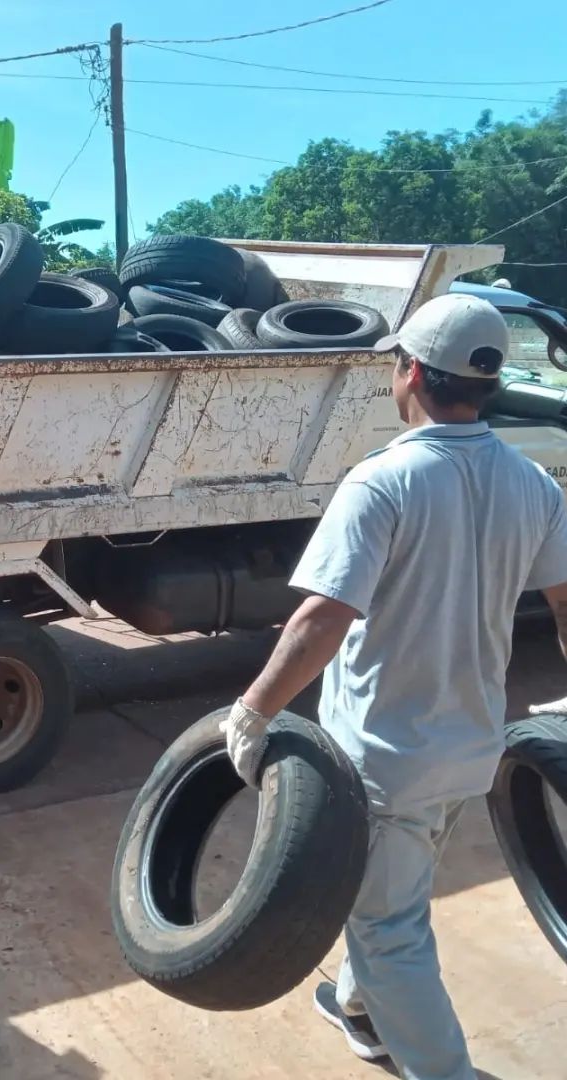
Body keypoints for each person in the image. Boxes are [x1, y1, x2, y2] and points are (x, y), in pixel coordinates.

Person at [220, 292, 567, 1080]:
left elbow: (321, 618)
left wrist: (252, 711)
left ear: (411, 371)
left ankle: (443, 1070)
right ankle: (359, 1008)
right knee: (391, 889)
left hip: (388, 755)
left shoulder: (383, 481)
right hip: (471, 743)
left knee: (390, 928)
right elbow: (566, 603)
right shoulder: (534, 485)